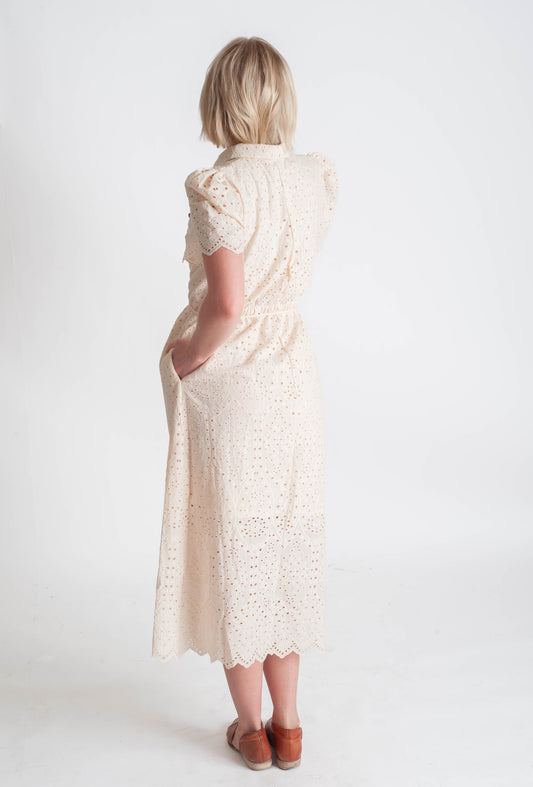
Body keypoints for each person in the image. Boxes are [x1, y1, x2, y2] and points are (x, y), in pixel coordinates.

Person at [152, 36, 338, 770]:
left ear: (218, 102)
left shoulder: (218, 187)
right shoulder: (312, 177)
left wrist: (186, 356)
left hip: (234, 386)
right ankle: (291, 727)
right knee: (282, 549)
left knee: (236, 551)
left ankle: (251, 729)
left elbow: (226, 305)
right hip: (294, 380)